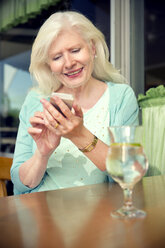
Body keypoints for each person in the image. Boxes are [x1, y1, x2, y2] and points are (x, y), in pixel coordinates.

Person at [11, 11, 139, 195]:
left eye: (75, 50)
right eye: (57, 57)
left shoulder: (120, 97)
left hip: (99, 215)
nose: (69, 63)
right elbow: (21, 183)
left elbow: (128, 173)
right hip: (41, 214)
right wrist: (43, 153)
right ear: (48, 65)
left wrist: (80, 135)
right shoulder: (35, 100)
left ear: (92, 49)